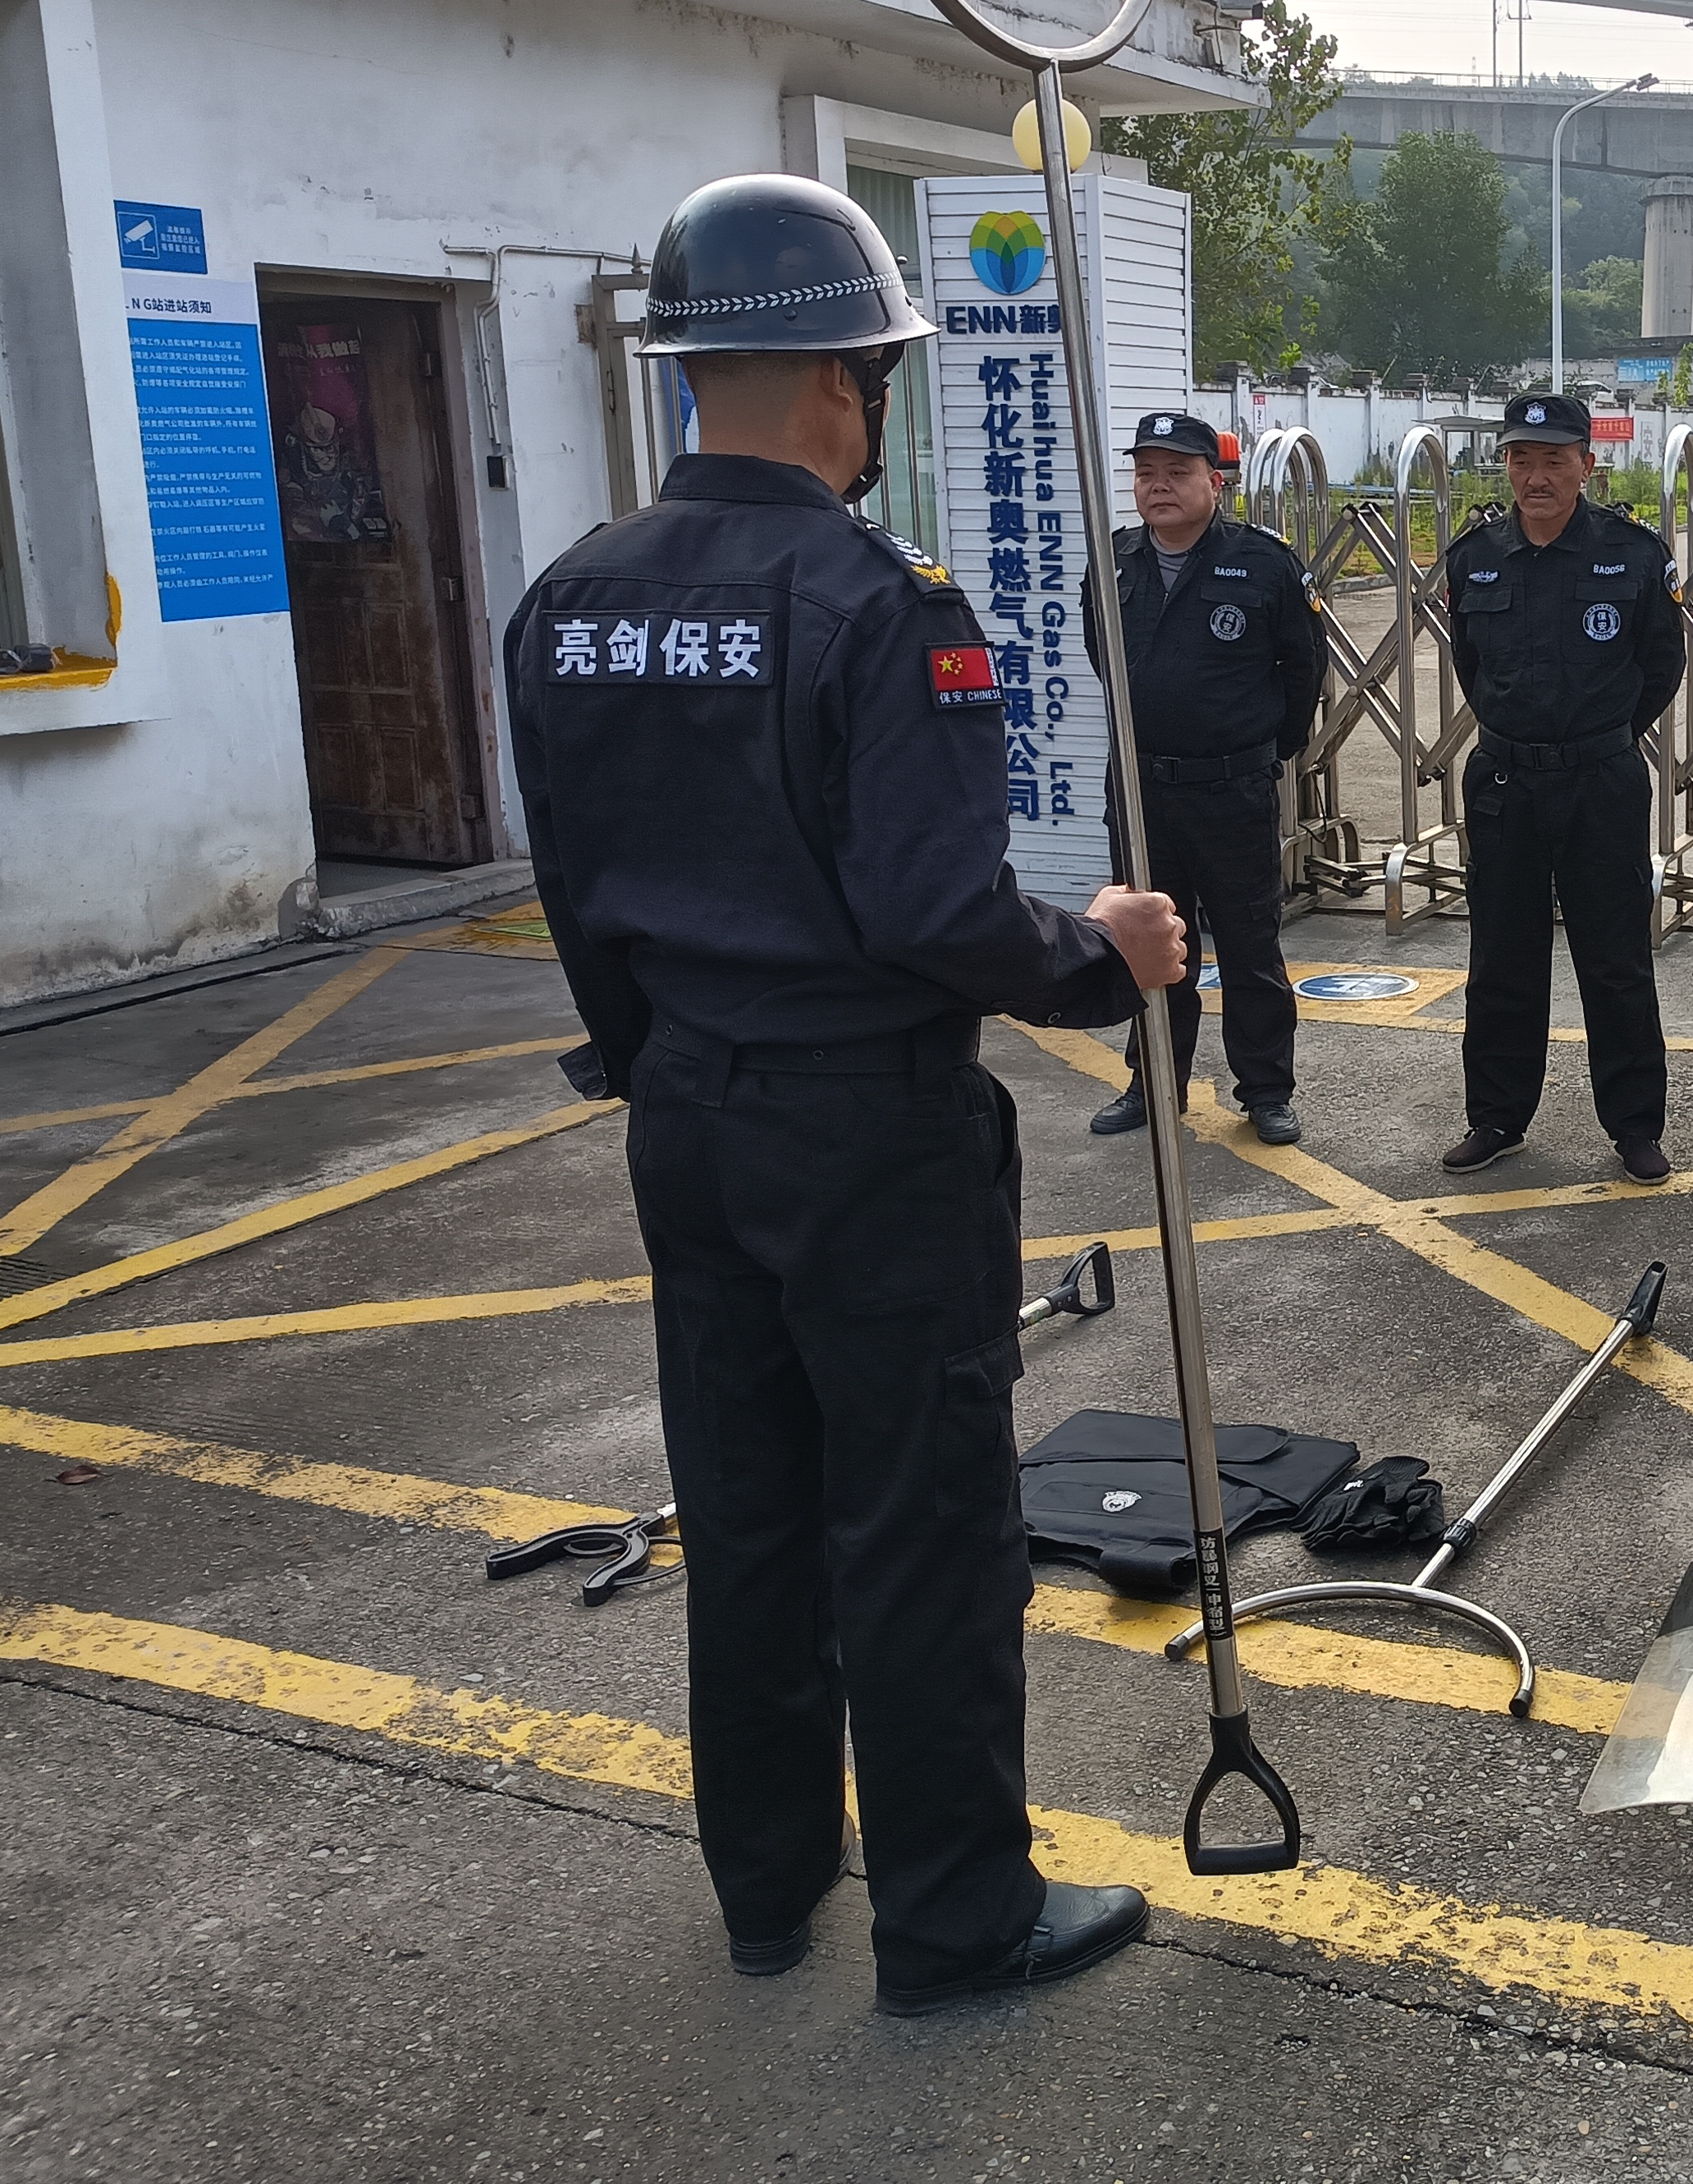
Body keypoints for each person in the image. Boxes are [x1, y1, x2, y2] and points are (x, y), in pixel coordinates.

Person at [505, 174, 1186, 2015]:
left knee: (744, 1507)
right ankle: (956, 1920)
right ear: (842, 377)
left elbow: (571, 886)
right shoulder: (885, 603)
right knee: (919, 1522)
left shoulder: (571, 597)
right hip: (867, 1135)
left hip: (688, 1119)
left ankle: (769, 1878)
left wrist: (655, 1062)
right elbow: (933, 912)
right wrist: (1098, 953)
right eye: (879, 373)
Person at [1438, 394, 1685, 1182]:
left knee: (1615, 960)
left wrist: (1597, 736)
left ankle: (1635, 1126)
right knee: (1501, 958)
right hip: (1506, 781)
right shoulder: (1474, 556)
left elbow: (1661, 666)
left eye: (1554, 460)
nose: (1536, 476)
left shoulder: (1633, 554)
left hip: (1600, 781)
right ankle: (1496, 1117)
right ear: (1506, 466)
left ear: (1586, 464)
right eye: (1522, 460)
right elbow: (1471, 666)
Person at [1080, 411, 1326, 1147]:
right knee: (1148, 944)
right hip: (1141, 792)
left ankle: (1267, 1091)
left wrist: (1264, 749)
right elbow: (1103, 657)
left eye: (1177, 473)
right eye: (1146, 473)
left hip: (1230, 791)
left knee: (1250, 946)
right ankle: (1155, 1082)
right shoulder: (1114, 560)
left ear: (1214, 483)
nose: (1159, 486)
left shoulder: (1263, 562)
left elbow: (1303, 669)